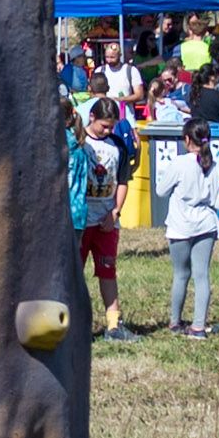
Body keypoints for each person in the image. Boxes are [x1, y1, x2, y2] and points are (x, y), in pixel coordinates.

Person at [153, 117, 219, 338]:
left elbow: (161, 191)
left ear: (187, 139)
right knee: (202, 275)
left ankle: (175, 322)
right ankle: (198, 326)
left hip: (180, 225)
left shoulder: (179, 163)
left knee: (180, 274)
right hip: (206, 224)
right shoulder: (215, 166)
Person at [69, 100, 129, 336]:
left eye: (111, 127)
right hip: (82, 220)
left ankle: (114, 324)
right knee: (74, 272)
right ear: (91, 117)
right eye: (104, 126)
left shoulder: (118, 146)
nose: (108, 131)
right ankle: (73, 324)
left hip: (106, 221)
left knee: (107, 270)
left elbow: (123, 181)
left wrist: (114, 211)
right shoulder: (78, 143)